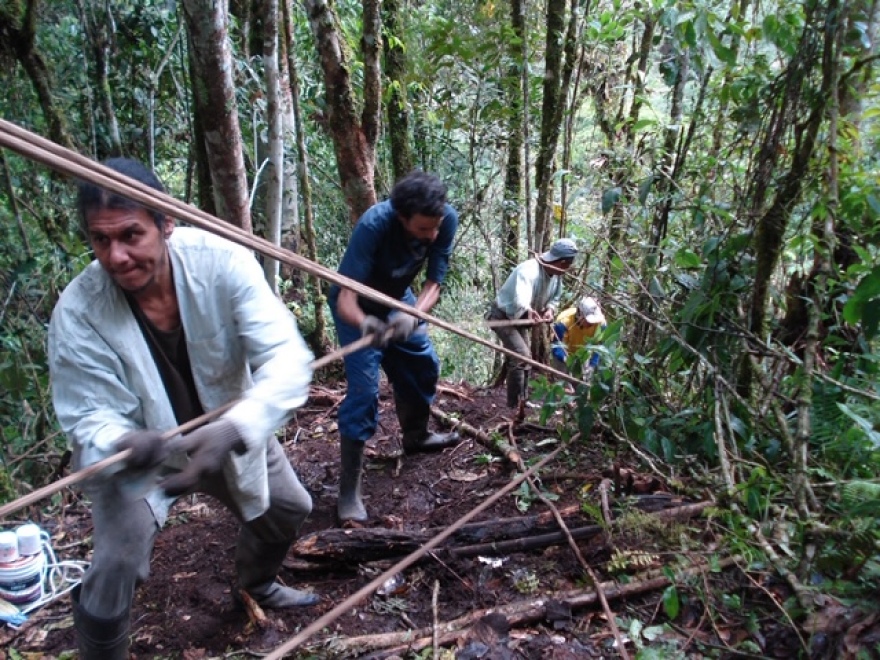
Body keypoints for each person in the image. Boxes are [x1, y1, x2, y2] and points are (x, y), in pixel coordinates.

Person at [48, 158, 318, 660]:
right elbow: (86, 412)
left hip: (227, 434)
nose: (116, 256)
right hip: (140, 457)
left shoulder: (222, 262)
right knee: (115, 564)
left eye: (131, 235)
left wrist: (236, 428)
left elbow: (287, 358)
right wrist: (121, 440)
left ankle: (256, 584)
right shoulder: (79, 310)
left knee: (289, 508)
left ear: (166, 222)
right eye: (100, 240)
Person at [328, 170, 461, 523]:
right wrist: (367, 324)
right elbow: (345, 299)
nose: (432, 235)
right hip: (358, 307)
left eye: (436, 227)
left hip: (399, 299)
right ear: (402, 217)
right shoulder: (374, 225)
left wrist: (412, 316)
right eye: (423, 229)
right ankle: (349, 491)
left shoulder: (445, 220)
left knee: (423, 364)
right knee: (364, 390)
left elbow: (434, 284)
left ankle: (416, 436)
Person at [487, 238, 579, 407]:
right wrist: (528, 310)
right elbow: (520, 299)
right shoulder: (529, 270)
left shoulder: (556, 275)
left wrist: (550, 309)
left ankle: (522, 401)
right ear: (562, 263)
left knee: (525, 359)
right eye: (568, 265)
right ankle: (513, 405)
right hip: (502, 317)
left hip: (520, 321)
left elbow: (555, 297)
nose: (568, 269)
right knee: (521, 356)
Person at [551, 296, 606, 375]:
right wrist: (566, 359)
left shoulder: (601, 324)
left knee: (583, 377)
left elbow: (599, 346)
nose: (592, 324)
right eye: (589, 321)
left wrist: (592, 365)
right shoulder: (563, 323)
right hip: (565, 352)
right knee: (561, 376)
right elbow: (556, 346)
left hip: (583, 353)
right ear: (580, 316)